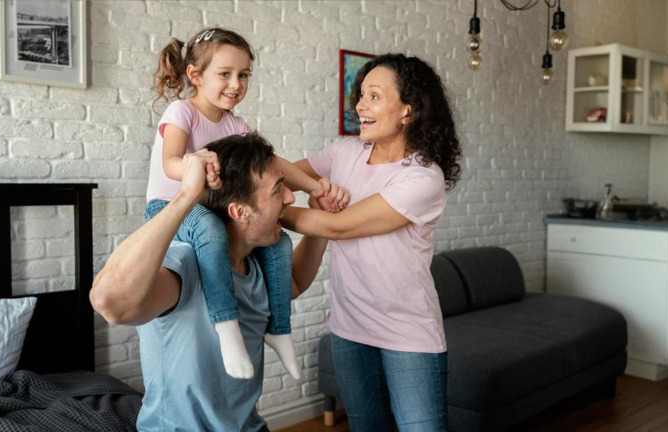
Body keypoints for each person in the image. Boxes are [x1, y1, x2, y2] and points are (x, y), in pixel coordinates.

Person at [144, 27, 347, 380]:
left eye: (243, 75)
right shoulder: (182, 112)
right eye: (225, 74)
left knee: (280, 241)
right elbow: (170, 162)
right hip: (169, 205)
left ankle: (279, 329)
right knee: (209, 228)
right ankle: (227, 327)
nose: (235, 84)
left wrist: (317, 186)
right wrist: (196, 163)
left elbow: (274, 163)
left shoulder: (236, 124)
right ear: (195, 75)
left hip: (210, 208)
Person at [92, 133, 329, 431]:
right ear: (239, 211)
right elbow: (110, 302)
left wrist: (322, 219)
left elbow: (292, 282)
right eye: (278, 189)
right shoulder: (185, 264)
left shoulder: (254, 263)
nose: (291, 198)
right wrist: (186, 196)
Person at [281, 54, 463, 431]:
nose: (360, 105)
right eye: (361, 95)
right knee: (367, 426)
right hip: (349, 327)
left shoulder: (422, 177)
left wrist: (263, 214)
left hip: (407, 331)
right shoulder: (345, 152)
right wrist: (315, 189)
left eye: (374, 96)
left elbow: (340, 228)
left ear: (408, 111)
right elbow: (280, 177)